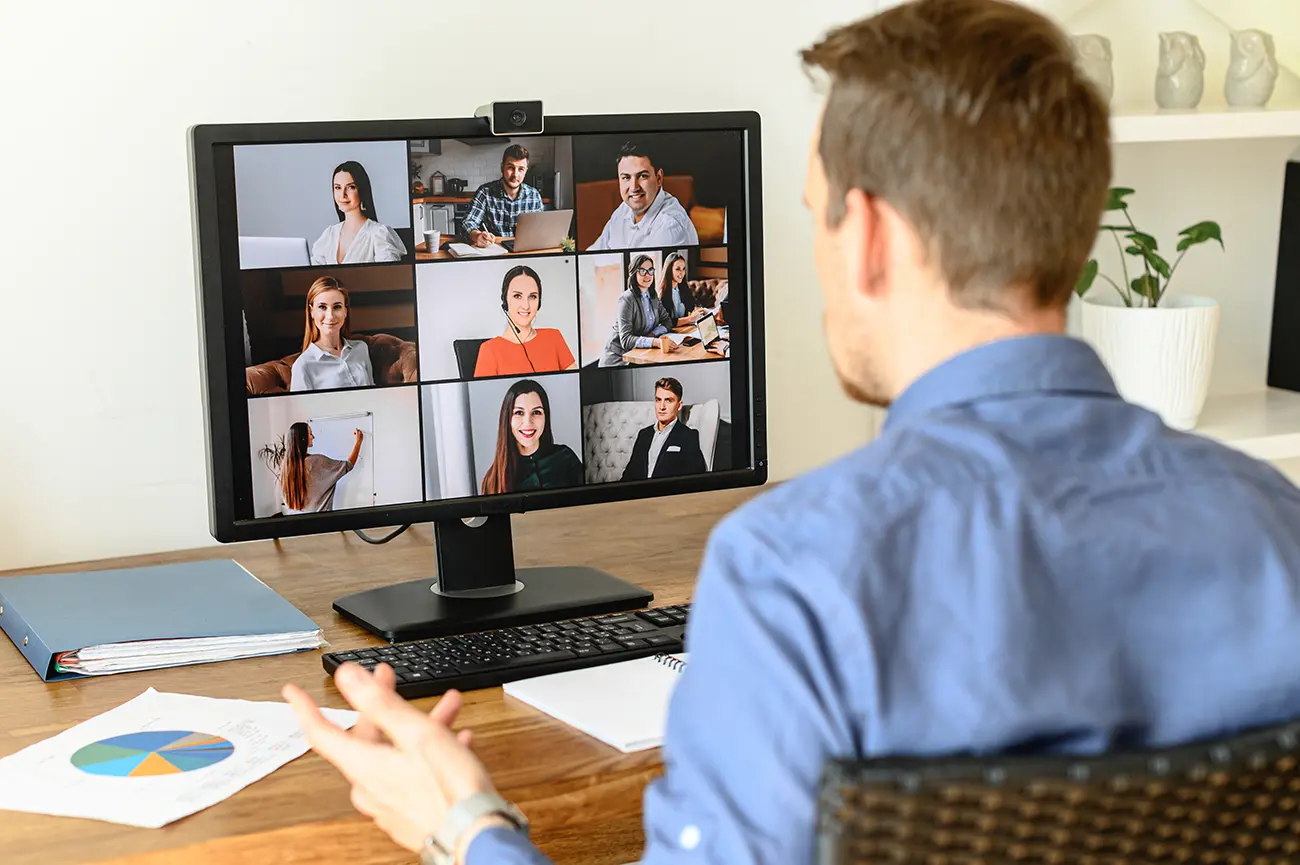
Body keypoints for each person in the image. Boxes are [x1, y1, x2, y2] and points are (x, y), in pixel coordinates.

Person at [282, 1, 1300, 864]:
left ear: (868, 237)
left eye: (814, 214)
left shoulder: (792, 570)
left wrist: (462, 818)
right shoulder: (1272, 528)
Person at [479, 379, 583, 495]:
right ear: (507, 419)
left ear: (545, 417)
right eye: (519, 413)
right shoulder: (493, 480)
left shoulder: (566, 458)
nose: (528, 422)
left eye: (536, 412)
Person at [588, 143, 699, 251]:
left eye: (642, 176)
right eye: (626, 177)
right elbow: (591, 257)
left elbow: (644, 269)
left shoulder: (670, 225)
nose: (633, 188)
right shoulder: (623, 210)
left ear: (659, 178)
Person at [473, 266, 577, 377]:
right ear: (505, 300)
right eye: (517, 296)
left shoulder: (554, 336)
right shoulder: (489, 350)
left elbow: (575, 384)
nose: (526, 305)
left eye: (532, 296)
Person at [309, 160, 407, 265]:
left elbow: (389, 275)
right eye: (338, 187)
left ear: (362, 191)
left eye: (350, 187)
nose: (342, 195)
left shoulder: (379, 234)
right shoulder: (329, 235)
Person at [290, 276, 375, 392]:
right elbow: (303, 410)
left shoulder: (361, 348)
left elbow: (374, 394)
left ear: (345, 311)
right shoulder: (303, 366)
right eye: (322, 307)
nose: (330, 316)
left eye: (337, 307)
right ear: (311, 312)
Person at [620, 377, 708, 481]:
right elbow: (628, 475)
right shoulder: (644, 434)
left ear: (679, 405)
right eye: (658, 400)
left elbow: (696, 478)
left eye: (668, 401)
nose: (662, 407)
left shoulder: (689, 436)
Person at [600, 254, 678, 367]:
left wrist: (653, 334)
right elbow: (626, 340)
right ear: (634, 274)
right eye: (642, 271)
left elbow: (667, 321)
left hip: (640, 353)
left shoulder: (653, 296)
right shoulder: (626, 299)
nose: (647, 275)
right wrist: (654, 342)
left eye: (650, 270)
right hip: (618, 358)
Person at [462, 144, 544, 248]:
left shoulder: (534, 196)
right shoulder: (485, 192)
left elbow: (540, 230)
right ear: (502, 167)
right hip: (493, 251)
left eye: (521, 169)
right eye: (510, 167)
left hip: (523, 252)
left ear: (526, 171)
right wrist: (477, 235)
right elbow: (468, 222)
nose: (515, 175)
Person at [279, 421, 363, 514]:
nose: (313, 437)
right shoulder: (317, 462)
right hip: (323, 523)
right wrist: (358, 442)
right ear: (303, 438)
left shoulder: (286, 468)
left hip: (301, 524)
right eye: (310, 434)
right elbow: (348, 465)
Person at [657, 252, 705, 328]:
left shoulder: (683, 288)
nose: (682, 273)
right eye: (678, 269)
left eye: (683, 269)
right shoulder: (662, 293)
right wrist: (690, 318)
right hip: (671, 334)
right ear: (669, 270)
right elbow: (666, 322)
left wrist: (699, 310)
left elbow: (694, 304)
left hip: (684, 329)